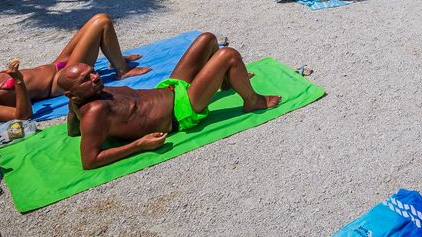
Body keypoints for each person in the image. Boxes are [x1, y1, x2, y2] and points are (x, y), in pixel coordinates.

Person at [59, 33, 280, 169]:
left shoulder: (89, 94)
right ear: (72, 93)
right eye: (85, 79)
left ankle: (226, 81)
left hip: (169, 89)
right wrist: (139, 145)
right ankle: (253, 101)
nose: (95, 77)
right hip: (180, 112)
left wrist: (74, 109)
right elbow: (90, 160)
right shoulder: (95, 110)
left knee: (207, 39)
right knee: (228, 54)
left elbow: (73, 131)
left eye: (91, 72)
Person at [0, 14, 150, 122]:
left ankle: (114, 57)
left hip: (56, 64)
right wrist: (17, 80)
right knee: (101, 22)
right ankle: (121, 69)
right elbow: (22, 115)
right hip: (59, 83)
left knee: (93, 23)